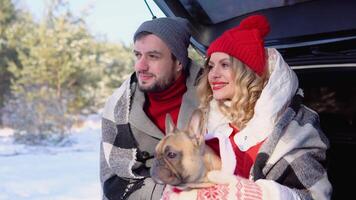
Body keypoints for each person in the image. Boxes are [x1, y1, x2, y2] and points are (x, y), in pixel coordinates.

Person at [162, 15, 332, 200]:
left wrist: (261, 194)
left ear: (248, 72)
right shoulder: (206, 120)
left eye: (225, 65)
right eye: (211, 66)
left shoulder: (296, 127)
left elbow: (314, 196)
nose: (214, 74)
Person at [100, 17, 201, 200]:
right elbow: (113, 182)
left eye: (153, 56)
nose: (141, 66)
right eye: (138, 55)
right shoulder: (119, 108)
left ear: (179, 62)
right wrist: (168, 193)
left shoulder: (212, 96)